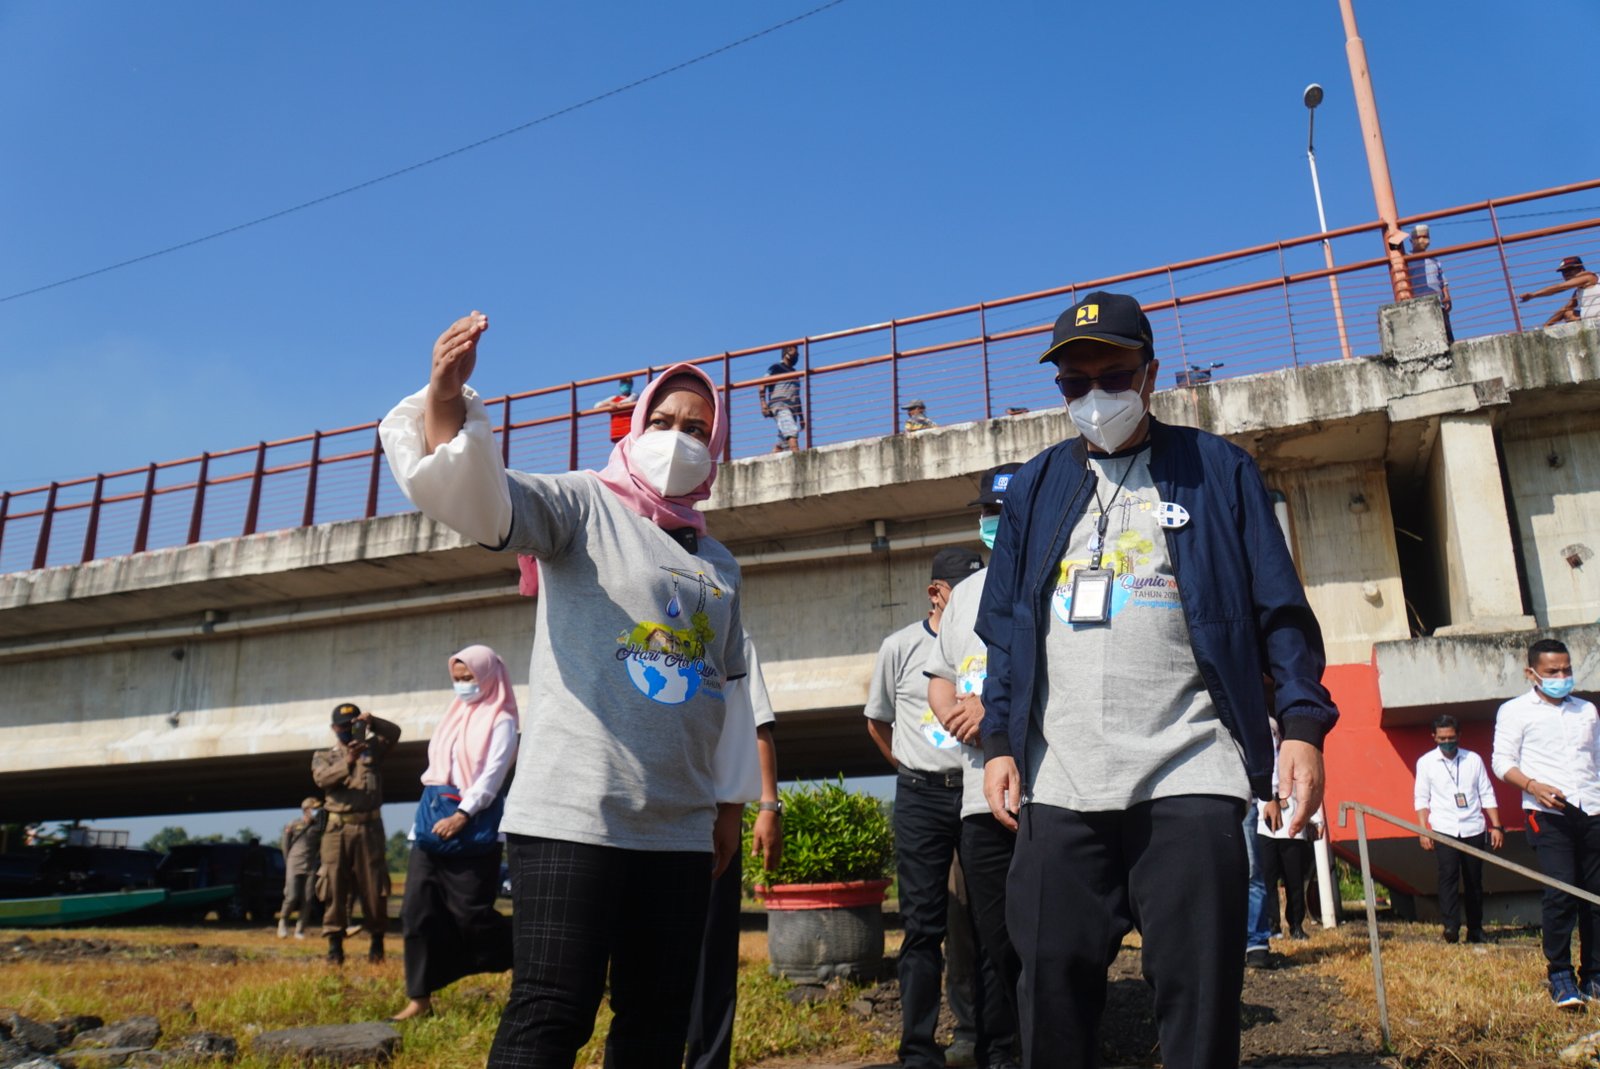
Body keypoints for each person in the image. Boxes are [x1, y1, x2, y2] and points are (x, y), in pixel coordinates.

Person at [380, 311, 760, 1067]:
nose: (679, 437)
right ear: (634, 422)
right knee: (552, 1006)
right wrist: (447, 402)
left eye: (696, 425)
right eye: (664, 418)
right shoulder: (583, 505)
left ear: (716, 445)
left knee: (656, 1017)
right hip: (574, 813)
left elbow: (730, 690)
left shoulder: (719, 562)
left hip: (678, 827)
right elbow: (487, 503)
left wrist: (728, 805)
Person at [976, 290, 1338, 1069]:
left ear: (1151, 374)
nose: (1096, 396)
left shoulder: (1219, 471)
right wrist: (1001, 739)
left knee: (1199, 996)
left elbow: (1281, 613)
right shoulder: (1036, 488)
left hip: (1189, 768)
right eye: (1076, 383)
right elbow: (1005, 626)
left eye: (1115, 374)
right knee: (1049, 992)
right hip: (1059, 776)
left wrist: (1302, 726)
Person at [865, 545, 985, 1069]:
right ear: (936, 593)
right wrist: (909, 767)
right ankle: (917, 1048)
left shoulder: (984, 640)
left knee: (982, 922)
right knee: (923, 928)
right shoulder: (900, 647)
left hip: (977, 792)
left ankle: (984, 1036)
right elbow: (878, 720)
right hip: (920, 797)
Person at [925, 463, 1025, 1069]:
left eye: (1005, 513)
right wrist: (957, 715)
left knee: (1053, 936)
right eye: (988, 513)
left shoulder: (1054, 578)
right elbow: (939, 679)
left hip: (1044, 792)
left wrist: (995, 710)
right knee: (995, 940)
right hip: (976, 798)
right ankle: (1007, 1051)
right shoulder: (964, 595)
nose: (995, 523)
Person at [392, 644, 520, 1022]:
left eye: (469, 678)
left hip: (473, 829)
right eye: (457, 679)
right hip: (430, 828)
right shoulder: (452, 715)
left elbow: (493, 777)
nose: (463, 686)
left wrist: (463, 814)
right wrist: (430, 820)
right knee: (416, 913)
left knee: (471, 915)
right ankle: (419, 998)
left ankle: (527, 951)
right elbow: (436, 772)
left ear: (488, 676)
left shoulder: (502, 721)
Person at [685, 634, 783, 1069]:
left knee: (713, 956)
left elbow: (753, 726)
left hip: (710, 819)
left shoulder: (729, 632)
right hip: (643, 816)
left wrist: (764, 807)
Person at [1491, 637, 1599, 1008]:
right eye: (1553, 671)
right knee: (1562, 892)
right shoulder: (1515, 711)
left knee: (1595, 896)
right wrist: (1532, 786)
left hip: (1592, 810)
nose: (1562, 676)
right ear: (1531, 672)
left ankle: (1595, 976)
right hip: (1548, 813)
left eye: (1567, 669)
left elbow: (1596, 762)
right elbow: (1502, 762)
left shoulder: (1586, 710)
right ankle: (1560, 975)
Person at [311, 702, 401, 964]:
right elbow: (322, 780)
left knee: (374, 885)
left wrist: (374, 722)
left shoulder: (373, 748)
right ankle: (334, 946)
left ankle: (377, 943)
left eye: (353, 725)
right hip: (336, 829)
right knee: (333, 884)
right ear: (333, 728)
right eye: (343, 726)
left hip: (370, 827)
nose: (348, 730)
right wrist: (348, 761)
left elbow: (394, 733)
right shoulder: (324, 755)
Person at [1413, 714, 1503, 945]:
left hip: (1473, 826)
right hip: (1444, 828)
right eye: (1442, 738)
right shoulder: (1426, 763)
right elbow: (1422, 799)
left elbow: (1486, 792)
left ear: (1459, 736)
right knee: (1448, 877)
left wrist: (1497, 825)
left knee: (1474, 880)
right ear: (1434, 737)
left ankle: (1475, 929)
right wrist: (1424, 830)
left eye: (1451, 737)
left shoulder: (1473, 760)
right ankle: (1451, 926)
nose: (1447, 742)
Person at [1256, 721, 1324, 944]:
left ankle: (1296, 925)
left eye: (1274, 734)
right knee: (1267, 880)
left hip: (1292, 826)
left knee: (1294, 880)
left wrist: (1316, 819)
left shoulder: (1293, 755)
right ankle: (1272, 925)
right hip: (1263, 825)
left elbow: (1308, 785)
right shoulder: (1256, 759)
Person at [278, 796, 323, 939]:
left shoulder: (319, 826)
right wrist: (287, 862)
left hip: (310, 864)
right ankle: (283, 922)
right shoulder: (293, 824)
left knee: (308, 898)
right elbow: (285, 845)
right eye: (314, 808)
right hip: (294, 863)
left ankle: (300, 929)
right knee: (291, 896)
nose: (317, 811)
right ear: (306, 810)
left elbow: (320, 845)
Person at [1520, 256, 1600, 327]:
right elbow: (1565, 309)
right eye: (1564, 271)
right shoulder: (1579, 291)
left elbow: (1560, 287)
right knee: (1568, 313)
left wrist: (1533, 295)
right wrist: (1546, 326)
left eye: (1570, 269)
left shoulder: (1589, 277)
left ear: (1581, 269)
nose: (1566, 273)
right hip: (1591, 324)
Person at [1406, 225, 1453, 342]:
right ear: (1412, 241)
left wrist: (1446, 296)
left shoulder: (1434, 260)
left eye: (1425, 237)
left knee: (1446, 335)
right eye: (1419, 237)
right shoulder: (1406, 259)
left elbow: (1443, 280)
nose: (1423, 240)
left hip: (1438, 302)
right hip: (1418, 301)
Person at [760, 346, 804, 454]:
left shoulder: (795, 373)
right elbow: (762, 384)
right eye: (795, 351)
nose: (797, 354)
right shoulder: (776, 368)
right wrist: (763, 404)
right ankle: (799, 459)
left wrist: (801, 417)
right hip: (780, 406)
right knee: (791, 433)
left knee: (782, 444)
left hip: (792, 410)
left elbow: (797, 396)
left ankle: (771, 460)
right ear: (787, 352)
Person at [596, 376, 638, 443]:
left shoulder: (634, 396)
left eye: (627, 383)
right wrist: (609, 403)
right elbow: (597, 406)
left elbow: (629, 400)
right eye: (623, 383)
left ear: (631, 385)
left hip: (629, 430)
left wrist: (615, 404)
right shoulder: (614, 398)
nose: (625, 385)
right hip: (617, 431)